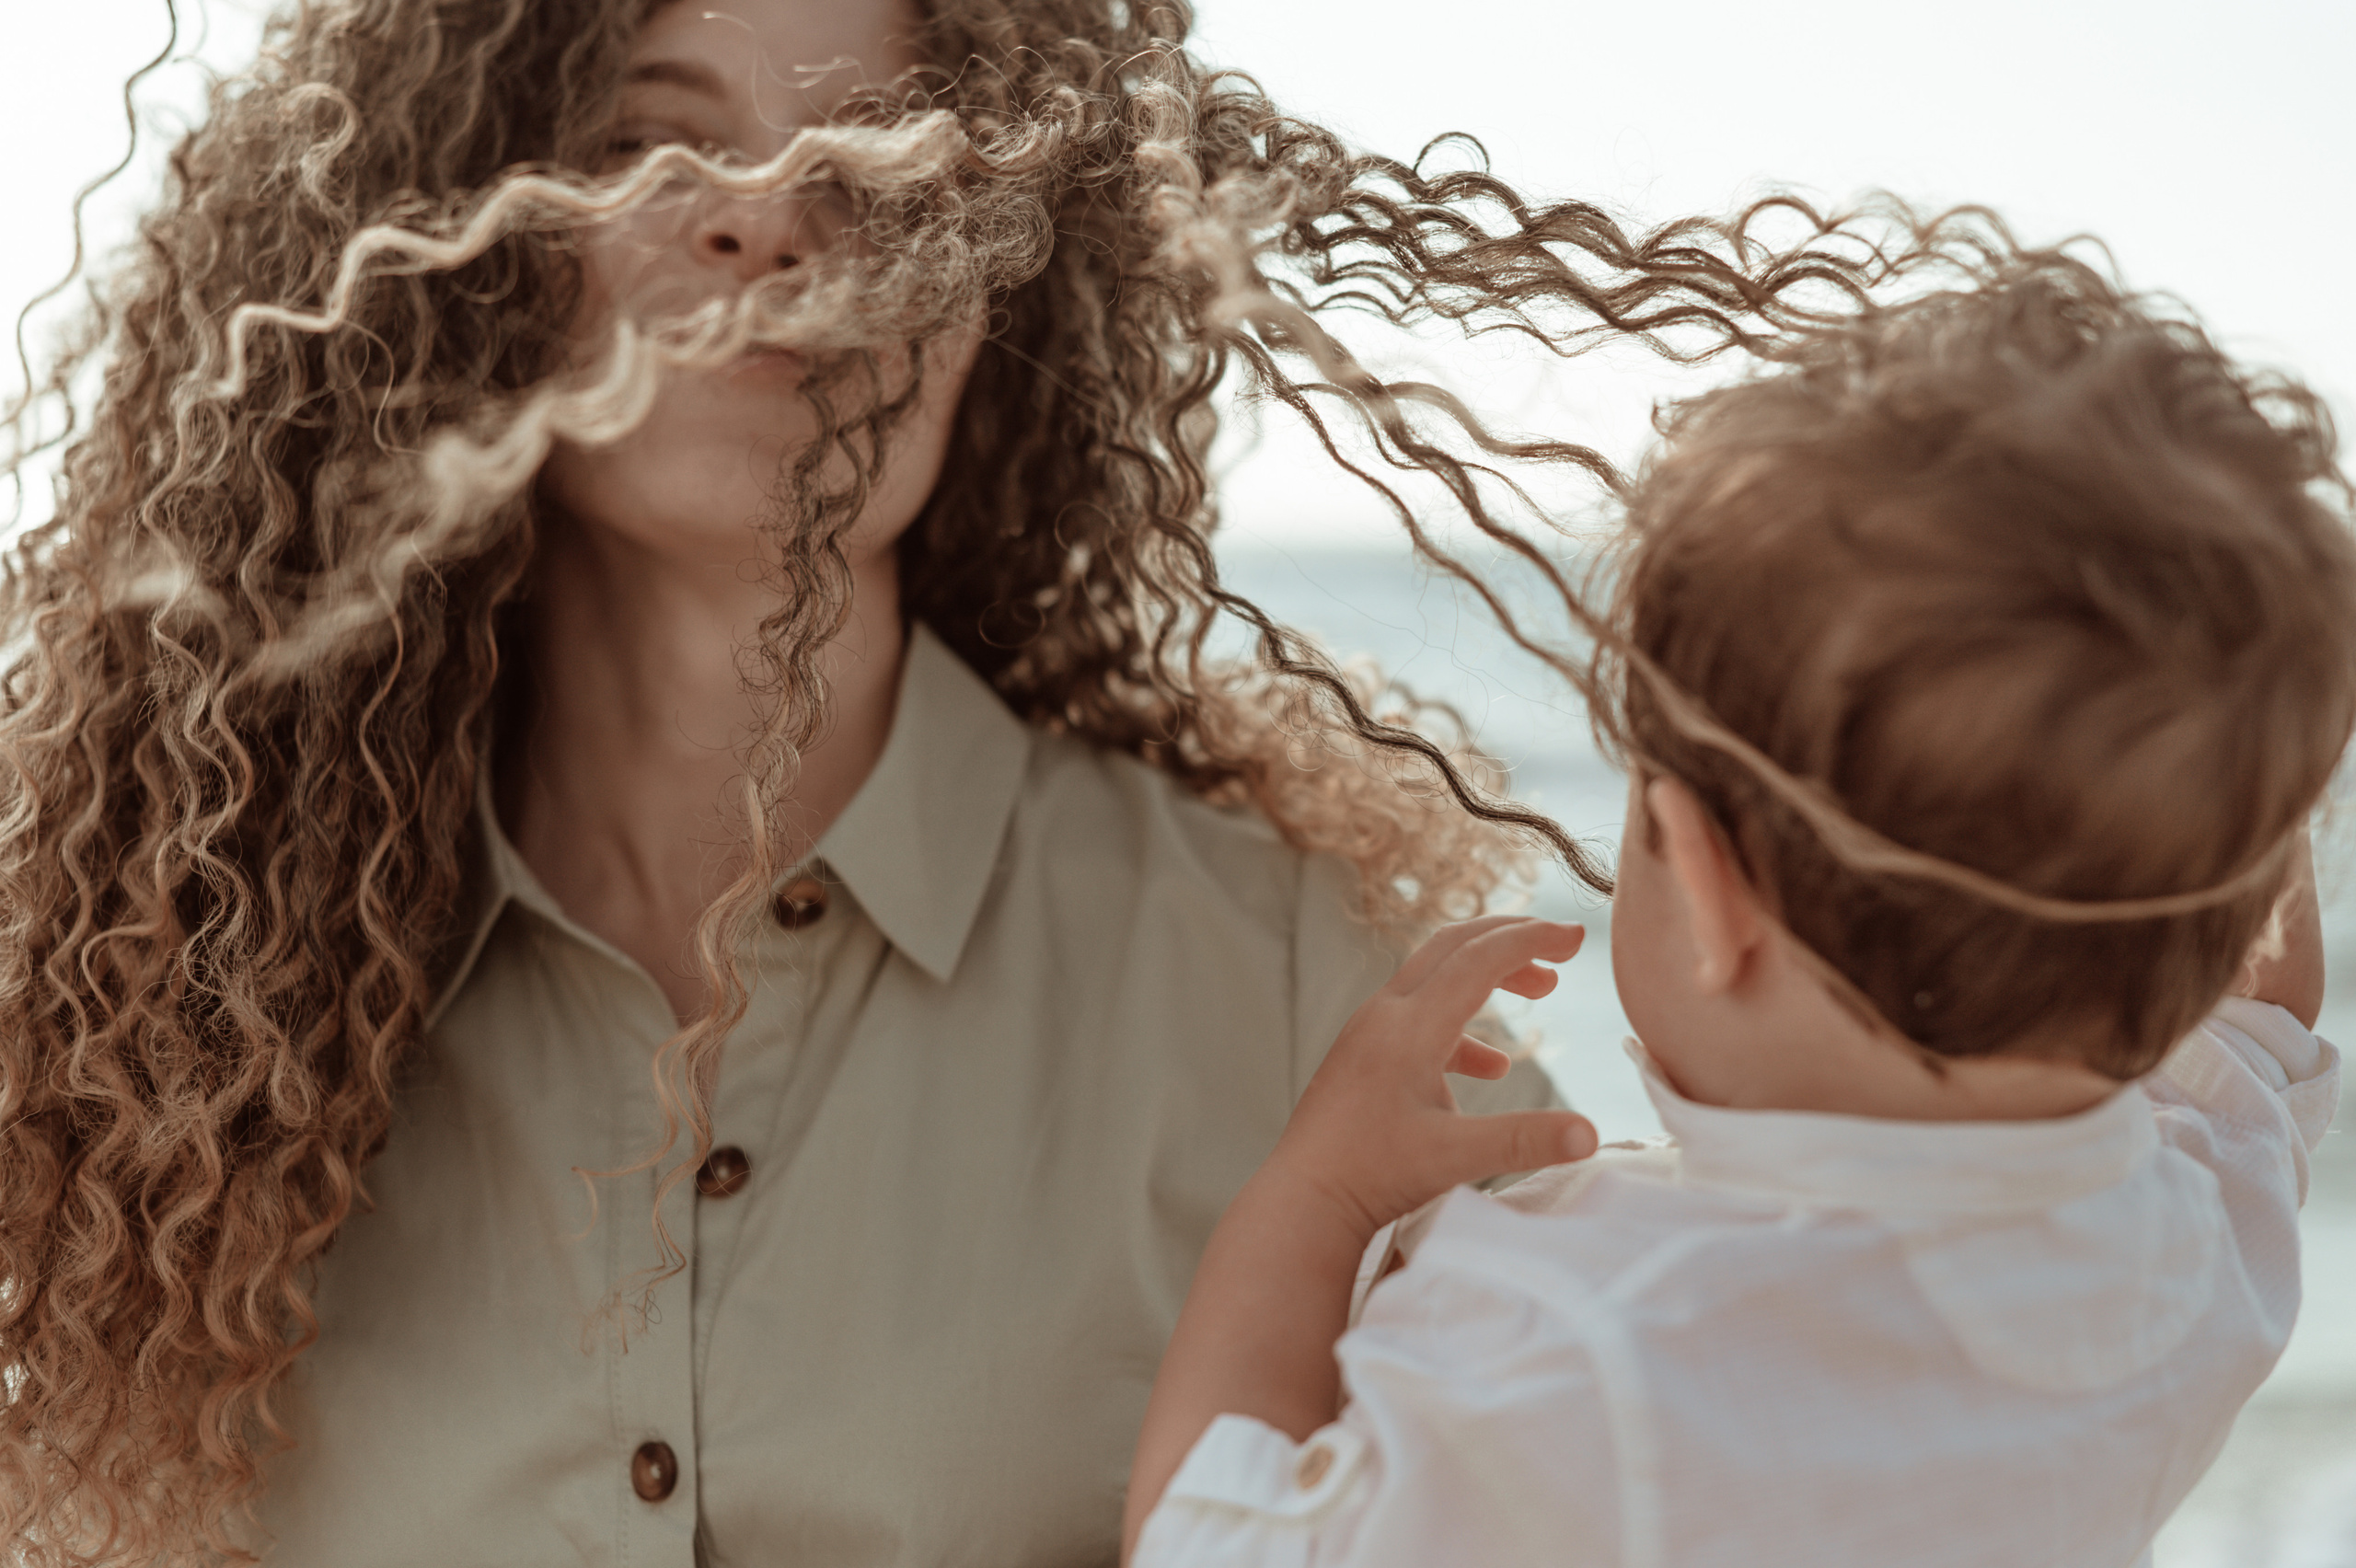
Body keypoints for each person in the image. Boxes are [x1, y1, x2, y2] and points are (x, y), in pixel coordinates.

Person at [0, 0, 1875, 1562]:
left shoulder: (1297, 992)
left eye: (881, 168)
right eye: (651, 145)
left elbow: (1724, 1465)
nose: (766, 224)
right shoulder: (159, 1036)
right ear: (467, 253)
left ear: (994, 298)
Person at [1122, 241, 2356, 1566]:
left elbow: (1206, 1540)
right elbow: (2268, 1016)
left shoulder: (1580, 1358)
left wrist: (1320, 1192)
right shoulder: (2190, 1239)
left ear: (1709, 889)